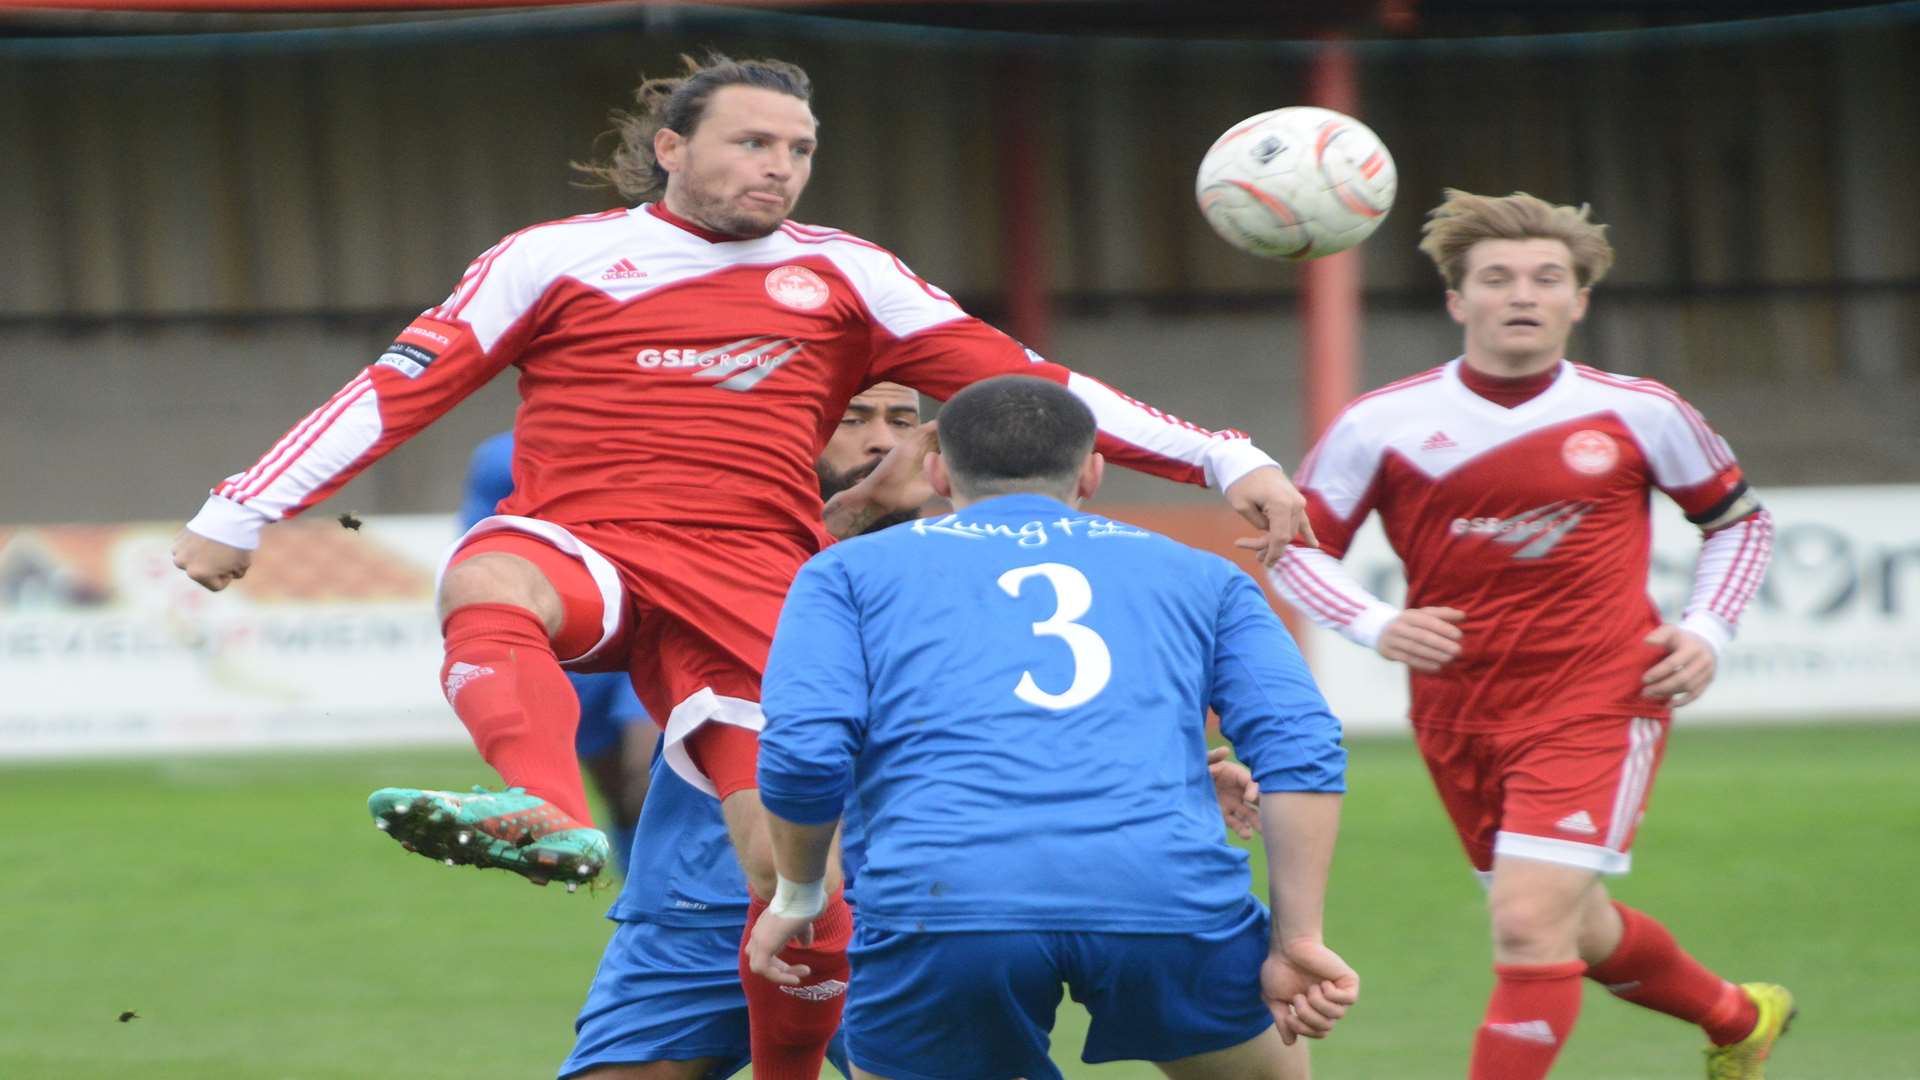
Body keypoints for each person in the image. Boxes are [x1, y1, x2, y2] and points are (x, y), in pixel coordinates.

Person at [169, 54, 1314, 1080]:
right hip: (593, 551)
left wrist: (1225, 456)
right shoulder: (555, 259)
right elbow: (400, 386)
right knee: (489, 576)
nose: (780, 169)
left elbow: (1029, 379)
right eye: (753, 143)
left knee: (787, 878)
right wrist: (244, 506)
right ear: (672, 148)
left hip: (755, 587)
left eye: (800, 150)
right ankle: (543, 805)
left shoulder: (848, 275)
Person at [568, 383, 1282, 1080]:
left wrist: (1170, 775)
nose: (883, 439)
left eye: (905, 421)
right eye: (850, 419)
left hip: (900, 908)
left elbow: (1035, 708)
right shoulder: (716, 546)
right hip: (702, 899)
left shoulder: (984, 572)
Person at [1265, 190, 1787, 1080]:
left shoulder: (1642, 411)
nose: (1524, 294)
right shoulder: (1380, 423)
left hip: (1601, 696)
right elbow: (1289, 551)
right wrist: (1377, 623)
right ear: (1456, 300)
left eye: (1548, 279)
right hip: (1458, 711)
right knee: (1567, 920)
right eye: (1497, 278)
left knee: (1525, 921)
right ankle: (1737, 1016)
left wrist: (1707, 629)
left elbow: (1739, 521)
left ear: (1579, 301)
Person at [747, 375, 1356, 1080]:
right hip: (1167, 896)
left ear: (938, 468)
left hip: (945, 904)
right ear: (1093, 470)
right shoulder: (1202, 577)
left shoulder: (844, 574)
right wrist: (1297, 938)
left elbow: (803, 752)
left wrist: (798, 895)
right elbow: (1303, 747)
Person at [463, 430, 659, 874]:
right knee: (620, 798)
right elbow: (478, 549)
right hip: (578, 634)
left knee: (646, 775)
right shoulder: (501, 459)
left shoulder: (668, 431)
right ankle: (642, 906)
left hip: (658, 619)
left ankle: (679, 912)